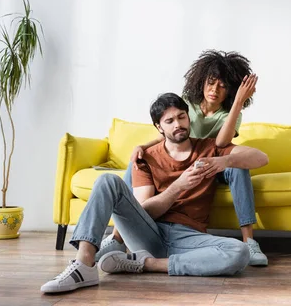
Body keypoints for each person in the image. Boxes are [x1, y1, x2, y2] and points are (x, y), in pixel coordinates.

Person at [41, 93, 269, 294]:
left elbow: (261, 158)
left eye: (181, 117)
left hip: (189, 237)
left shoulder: (209, 148)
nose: (177, 124)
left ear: (189, 117)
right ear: (159, 128)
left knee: (239, 252)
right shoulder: (147, 157)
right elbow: (144, 211)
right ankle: (84, 264)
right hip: (149, 232)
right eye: (169, 121)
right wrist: (178, 186)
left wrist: (224, 160)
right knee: (107, 180)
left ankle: (147, 264)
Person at [96, 50, 268, 266]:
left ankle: (249, 240)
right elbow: (170, 133)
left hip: (211, 164)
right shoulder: (187, 105)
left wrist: (238, 103)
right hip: (185, 161)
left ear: (230, 90)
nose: (214, 89)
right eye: (211, 82)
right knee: (139, 158)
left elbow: (222, 143)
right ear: (202, 81)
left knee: (238, 166)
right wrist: (143, 146)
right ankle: (118, 237)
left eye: (222, 86)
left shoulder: (231, 113)